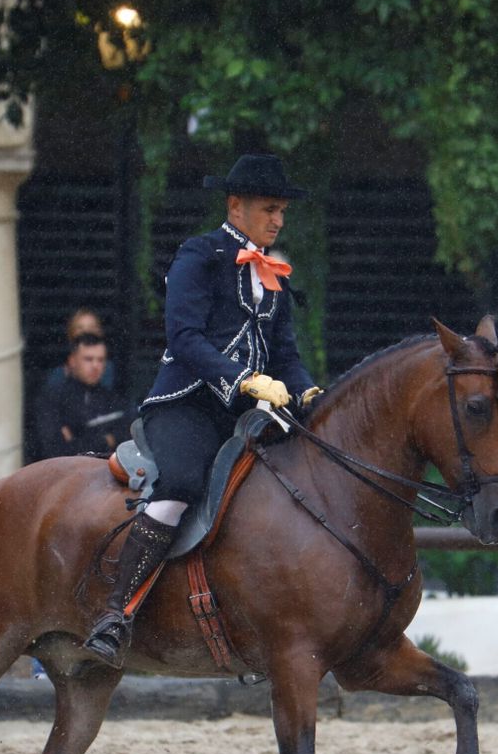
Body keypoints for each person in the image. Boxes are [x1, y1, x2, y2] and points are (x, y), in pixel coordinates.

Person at [81, 154, 321, 668]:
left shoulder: (274, 274)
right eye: (269, 208)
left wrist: (308, 393)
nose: (278, 220)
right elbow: (184, 337)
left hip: (244, 415)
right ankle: (114, 613)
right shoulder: (200, 254)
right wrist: (244, 379)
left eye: (282, 210)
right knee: (183, 484)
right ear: (236, 206)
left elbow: (286, 358)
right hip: (185, 405)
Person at [29, 332, 123, 461]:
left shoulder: (113, 399)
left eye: (100, 360)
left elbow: (126, 442)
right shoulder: (52, 399)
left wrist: (77, 439)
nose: (95, 366)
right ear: (72, 361)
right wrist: (107, 439)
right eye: (88, 359)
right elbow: (55, 452)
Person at [41, 308, 116, 395]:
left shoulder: (108, 369)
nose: (86, 331)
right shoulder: (58, 373)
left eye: (91, 327)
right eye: (80, 328)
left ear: (100, 332)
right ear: (70, 333)